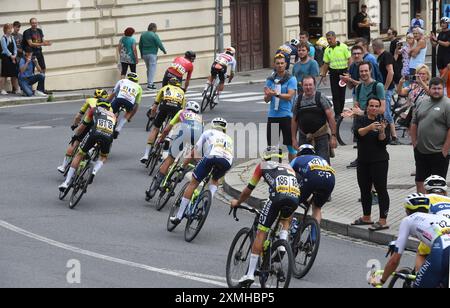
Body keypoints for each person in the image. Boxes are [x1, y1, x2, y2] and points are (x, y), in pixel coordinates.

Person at [231, 146, 300, 286]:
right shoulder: (288, 167)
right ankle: (282, 244)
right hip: (294, 197)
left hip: (277, 197)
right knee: (286, 218)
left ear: (265, 157)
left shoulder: (262, 166)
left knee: (262, 232)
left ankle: (249, 274)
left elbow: (248, 190)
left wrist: (237, 202)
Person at [370, 194, 450, 288]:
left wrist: (382, 280)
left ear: (407, 210)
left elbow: (394, 261)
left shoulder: (408, 220)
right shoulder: (438, 217)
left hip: (443, 247)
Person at [169, 118, 233, 225]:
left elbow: (195, 151)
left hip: (212, 156)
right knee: (215, 178)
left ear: (212, 126)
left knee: (193, 183)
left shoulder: (208, 132)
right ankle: (209, 199)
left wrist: (183, 165)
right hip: (227, 161)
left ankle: (179, 216)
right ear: (225, 129)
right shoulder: (229, 138)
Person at [145, 101, 203, 200]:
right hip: (197, 138)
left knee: (170, 159)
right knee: (193, 159)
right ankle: (180, 174)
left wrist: (161, 139)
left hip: (184, 134)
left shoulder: (182, 112)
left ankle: (153, 190)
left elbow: (167, 129)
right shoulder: (200, 119)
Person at [58, 100, 117, 192]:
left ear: (98, 105)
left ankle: (66, 182)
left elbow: (83, 126)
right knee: (103, 157)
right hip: (108, 136)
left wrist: (75, 136)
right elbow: (112, 131)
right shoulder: (113, 115)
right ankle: (94, 172)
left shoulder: (93, 110)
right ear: (109, 108)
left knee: (80, 154)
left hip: (94, 133)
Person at [351, 98, 390, 231]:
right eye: (371, 106)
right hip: (363, 161)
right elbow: (358, 133)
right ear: (367, 107)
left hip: (379, 161)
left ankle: (382, 220)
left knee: (381, 189)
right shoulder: (360, 120)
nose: (373, 108)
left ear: (379, 108)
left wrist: (381, 131)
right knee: (364, 189)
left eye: (376, 106)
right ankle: (366, 217)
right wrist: (370, 127)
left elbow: (383, 142)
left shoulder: (383, 121)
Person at [411, 77, 450, 194]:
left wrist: (445, 150)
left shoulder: (447, 104)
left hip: (439, 152)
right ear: (429, 89)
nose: (436, 91)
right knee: (420, 181)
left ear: (443, 89)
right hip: (421, 151)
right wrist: (415, 144)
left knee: (438, 185)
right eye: (434, 88)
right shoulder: (422, 102)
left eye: (439, 88)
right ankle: (422, 207)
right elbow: (414, 123)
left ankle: (437, 208)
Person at [344, 62, 385, 169]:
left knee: (374, 146)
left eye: (366, 71)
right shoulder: (359, 87)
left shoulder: (378, 86)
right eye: (361, 71)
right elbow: (356, 106)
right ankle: (360, 160)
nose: (363, 73)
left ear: (370, 71)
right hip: (361, 122)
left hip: (373, 122)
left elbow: (382, 109)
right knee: (361, 144)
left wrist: (362, 112)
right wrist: (351, 112)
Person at [57, 89, 109, 174]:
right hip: (100, 126)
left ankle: (63, 166)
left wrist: (74, 125)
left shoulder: (89, 100)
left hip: (87, 122)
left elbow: (79, 115)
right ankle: (91, 150)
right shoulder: (108, 106)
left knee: (75, 141)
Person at [291, 76, 336, 164]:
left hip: (321, 137)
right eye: (306, 85)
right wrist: (294, 139)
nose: (308, 87)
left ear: (314, 85)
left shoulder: (321, 97)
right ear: (302, 86)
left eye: (310, 85)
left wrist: (333, 136)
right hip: (304, 137)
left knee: (323, 164)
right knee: (304, 163)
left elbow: (331, 117)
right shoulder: (298, 99)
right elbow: (294, 120)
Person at [141, 77, 186, 164]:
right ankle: (168, 140)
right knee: (172, 127)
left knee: (155, 129)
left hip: (165, 107)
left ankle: (146, 154)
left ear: (169, 83)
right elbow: (182, 110)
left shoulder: (164, 88)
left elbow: (155, 106)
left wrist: (152, 117)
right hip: (176, 109)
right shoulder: (182, 92)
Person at [290, 144, 335, 224]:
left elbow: (287, 174)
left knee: (291, 202)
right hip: (330, 180)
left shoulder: (297, 159)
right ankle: (314, 234)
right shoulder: (321, 158)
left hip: (313, 178)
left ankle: (290, 226)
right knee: (317, 207)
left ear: (299, 153)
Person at [264, 54, 297, 161]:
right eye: (277, 63)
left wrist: (276, 94)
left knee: (290, 146)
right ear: (274, 65)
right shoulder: (270, 80)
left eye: (282, 63)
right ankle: (274, 170)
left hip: (287, 116)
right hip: (273, 116)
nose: (280, 65)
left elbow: (289, 96)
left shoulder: (291, 79)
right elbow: (266, 100)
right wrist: (269, 95)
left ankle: (294, 169)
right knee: (273, 146)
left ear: (286, 64)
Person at [321, 31, 351, 120]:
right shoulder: (327, 49)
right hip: (333, 73)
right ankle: (337, 114)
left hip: (343, 72)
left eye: (330, 38)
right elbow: (326, 63)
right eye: (327, 39)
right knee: (335, 94)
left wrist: (349, 72)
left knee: (342, 93)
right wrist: (323, 75)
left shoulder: (343, 47)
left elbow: (349, 59)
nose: (329, 41)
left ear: (335, 37)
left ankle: (341, 111)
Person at [108, 72, 142, 138]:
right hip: (129, 102)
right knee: (129, 112)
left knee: (110, 111)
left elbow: (113, 93)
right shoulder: (139, 87)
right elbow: (136, 105)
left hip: (119, 99)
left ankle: (108, 122)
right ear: (136, 80)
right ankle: (118, 129)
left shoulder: (122, 81)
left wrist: (106, 103)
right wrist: (130, 117)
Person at [22, 18, 51, 92]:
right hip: (31, 52)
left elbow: (42, 40)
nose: (34, 24)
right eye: (33, 23)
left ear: (37, 23)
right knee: (31, 70)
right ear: (30, 24)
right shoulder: (27, 32)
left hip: (39, 52)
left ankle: (41, 88)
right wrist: (42, 44)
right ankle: (30, 88)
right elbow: (30, 43)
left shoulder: (39, 31)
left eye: (35, 23)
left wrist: (47, 43)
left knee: (43, 69)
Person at [139, 23, 167, 90]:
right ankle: (150, 84)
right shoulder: (154, 35)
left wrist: (141, 54)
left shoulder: (143, 35)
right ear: (153, 28)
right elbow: (159, 43)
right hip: (152, 54)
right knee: (152, 69)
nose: (156, 29)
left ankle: (150, 83)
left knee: (149, 69)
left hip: (145, 54)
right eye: (156, 28)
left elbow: (140, 45)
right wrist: (163, 50)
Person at [431, 17, 450, 98]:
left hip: (447, 60)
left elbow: (447, 44)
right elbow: (435, 45)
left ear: (447, 24)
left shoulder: (449, 33)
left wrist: (437, 40)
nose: (442, 24)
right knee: (442, 80)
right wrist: (431, 40)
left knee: (446, 80)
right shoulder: (441, 33)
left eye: (444, 23)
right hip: (440, 59)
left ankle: (448, 98)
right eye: (441, 23)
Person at [1, 24, 19, 95]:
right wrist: (11, 55)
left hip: (12, 57)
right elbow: (5, 49)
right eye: (8, 29)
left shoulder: (12, 37)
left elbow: (15, 48)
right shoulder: (3, 38)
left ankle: (17, 89)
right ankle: (2, 89)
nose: (10, 30)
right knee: (4, 74)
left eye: (11, 28)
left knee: (14, 74)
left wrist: (14, 55)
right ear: (5, 30)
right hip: (6, 57)